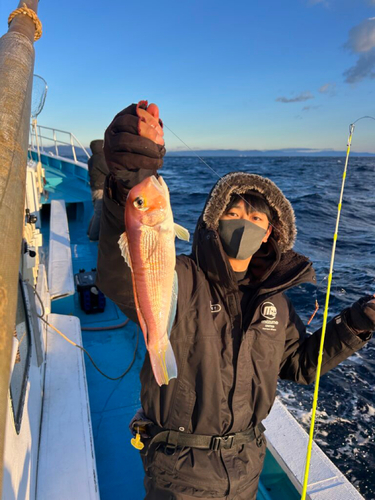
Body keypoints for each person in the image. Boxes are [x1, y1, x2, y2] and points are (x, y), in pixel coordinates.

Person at [96, 102, 375, 500]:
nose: (245, 222)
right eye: (234, 211)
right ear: (214, 221)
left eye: (257, 219)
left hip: (246, 468)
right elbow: (124, 275)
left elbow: (299, 363)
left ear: (269, 234)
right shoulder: (183, 276)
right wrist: (127, 183)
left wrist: (356, 324)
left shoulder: (274, 301)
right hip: (178, 474)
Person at [87, 139, 109, 241]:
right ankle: (93, 236)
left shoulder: (92, 159)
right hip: (100, 190)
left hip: (95, 189)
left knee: (97, 213)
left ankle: (89, 232)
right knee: (99, 214)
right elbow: (109, 171)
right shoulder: (100, 158)